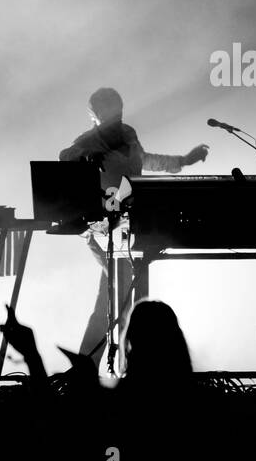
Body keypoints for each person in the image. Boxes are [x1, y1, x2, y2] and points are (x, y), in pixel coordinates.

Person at [59, 87, 209, 368]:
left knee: (113, 298)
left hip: (129, 225)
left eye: (119, 107)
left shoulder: (128, 133)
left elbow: (144, 159)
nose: (118, 113)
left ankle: (95, 368)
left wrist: (183, 161)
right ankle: (125, 367)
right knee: (121, 295)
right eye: (111, 109)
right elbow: (65, 157)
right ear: (95, 114)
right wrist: (85, 160)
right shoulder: (88, 141)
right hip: (103, 228)